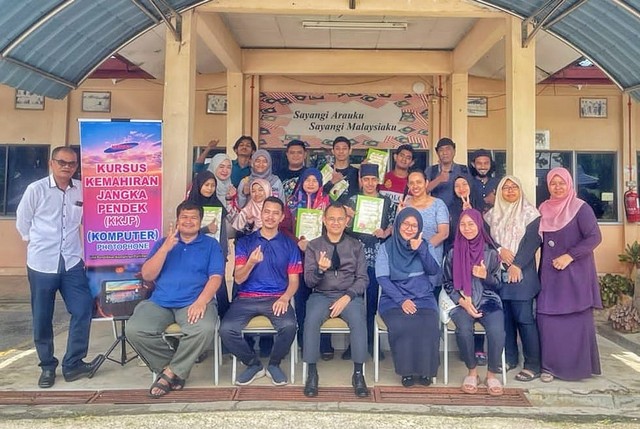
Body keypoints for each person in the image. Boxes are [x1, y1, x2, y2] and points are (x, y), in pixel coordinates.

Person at [16, 146, 102, 388]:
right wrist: (36, 243)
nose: (67, 167)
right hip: (42, 263)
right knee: (42, 316)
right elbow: (23, 222)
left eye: (72, 163)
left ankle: (73, 363)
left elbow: (89, 218)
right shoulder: (36, 190)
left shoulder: (82, 189)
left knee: (83, 308)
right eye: (62, 162)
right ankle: (47, 366)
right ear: (51, 163)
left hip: (72, 261)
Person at [127, 201, 224, 398]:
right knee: (134, 330)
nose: (189, 221)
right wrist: (165, 249)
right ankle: (174, 369)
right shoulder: (163, 243)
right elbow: (147, 275)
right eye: (184, 217)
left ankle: (169, 374)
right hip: (160, 301)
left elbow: (216, 277)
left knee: (204, 329)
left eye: (194, 217)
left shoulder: (211, 245)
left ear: (200, 221)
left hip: (193, 302)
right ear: (177, 220)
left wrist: (201, 302)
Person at [220, 197, 301, 386]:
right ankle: (253, 364)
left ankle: (274, 364)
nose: (270, 217)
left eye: (275, 213)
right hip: (246, 298)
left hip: (276, 298)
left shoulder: (289, 245)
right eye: (267, 212)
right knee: (226, 329)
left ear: (282, 217)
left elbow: (294, 281)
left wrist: (285, 298)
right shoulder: (246, 242)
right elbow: (239, 279)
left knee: (289, 326)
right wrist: (251, 262)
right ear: (261, 213)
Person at [537, 167, 602, 382]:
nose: (557, 187)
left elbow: (594, 237)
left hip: (576, 274)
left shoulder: (580, 208)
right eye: (553, 183)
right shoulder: (543, 208)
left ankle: (578, 369)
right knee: (547, 318)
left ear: (569, 184)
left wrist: (570, 256)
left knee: (576, 320)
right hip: (550, 274)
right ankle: (549, 368)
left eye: (561, 183)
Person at [303, 203, 369, 398]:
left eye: (340, 219)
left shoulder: (356, 246)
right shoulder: (314, 246)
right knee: (311, 320)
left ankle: (358, 374)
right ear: (324, 220)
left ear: (347, 221)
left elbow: (363, 279)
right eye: (331, 218)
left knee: (358, 320)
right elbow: (308, 281)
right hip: (321, 294)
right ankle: (312, 373)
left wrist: (348, 296)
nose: (336, 223)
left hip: (349, 295)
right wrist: (320, 270)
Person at [485, 175, 542, 382]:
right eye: (505, 187)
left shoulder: (530, 213)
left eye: (514, 187)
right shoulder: (491, 215)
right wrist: (500, 250)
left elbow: (533, 241)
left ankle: (533, 364)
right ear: (499, 192)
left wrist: (517, 265)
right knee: (505, 319)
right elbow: (487, 239)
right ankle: (509, 358)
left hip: (522, 274)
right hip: (499, 273)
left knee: (524, 319)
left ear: (520, 190)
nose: (510, 191)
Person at [375, 207, 441, 387]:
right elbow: (382, 278)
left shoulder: (424, 245)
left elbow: (433, 270)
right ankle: (407, 372)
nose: (409, 228)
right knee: (402, 324)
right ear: (398, 225)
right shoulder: (386, 247)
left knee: (428, 324)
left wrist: (421, 249)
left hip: (423, 297)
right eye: (406, 224)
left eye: (414, 225)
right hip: (393, 299)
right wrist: (401, 300)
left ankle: (426, 371)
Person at [442, 209, 504, 396]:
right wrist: (462, 301)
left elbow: (498, 284)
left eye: (471, 224)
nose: (467, 228)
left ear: (479, 225)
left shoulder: (491, 253)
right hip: (462, 300)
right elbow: (447, 283)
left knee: (496, 331)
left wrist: (486, 276)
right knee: (463, 330)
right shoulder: (453, 252)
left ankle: (491, 375)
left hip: (488, 300)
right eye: (463, 224)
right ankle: (472, 373)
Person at [344, 163, 393, 360]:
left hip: (377, 257)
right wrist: (348, 218)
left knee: (373, 301)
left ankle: (373, 344)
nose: (370, 183)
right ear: (361, 180)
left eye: (373, 179)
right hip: (355, 258)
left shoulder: (386, 201)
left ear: (378, 180)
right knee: (354, 301)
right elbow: (343, 228)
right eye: (366, 179)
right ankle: (354, 345)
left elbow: (393, 224)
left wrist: (385, 232)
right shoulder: (353, 201)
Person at [284, 168, 333, 359]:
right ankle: (305, 341)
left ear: (320, 183)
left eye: (315, 180)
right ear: (301, 182)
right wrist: (298, 242)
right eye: (307, 180)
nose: (311, 183)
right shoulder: (291, 203)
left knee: (324, 298)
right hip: (299, 258)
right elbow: (284, 229)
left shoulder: (327, 202)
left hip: (322, 258)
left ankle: (325, 342)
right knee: (302, 300)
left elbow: (335, 227)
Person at [186, 171, 231, 321]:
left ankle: (224, 322)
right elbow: (184, 232)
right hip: (194, 252)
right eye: (206, 185)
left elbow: (222, 233)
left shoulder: (217, 204)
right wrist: (205, 229)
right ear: (198, 185)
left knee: (219, 286)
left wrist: (223, 252)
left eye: (213, 185)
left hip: (215, 253)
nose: (210, 188)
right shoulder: (188, 207)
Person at [402, 170, 449, 292]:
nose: (415, 186)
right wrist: (399, 214)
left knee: (430, 297)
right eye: (412, 183)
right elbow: (398, 234)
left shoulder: (438, 204)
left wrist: (422, 248)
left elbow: (444, 233)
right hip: (408, 262)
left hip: (431, 260)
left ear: (426, 183)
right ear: (408, 185)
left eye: (419, 182)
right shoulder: (404, 205)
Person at [425, 137, 470, 208]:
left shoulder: (463, 169)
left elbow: (470, 192)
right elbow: (422, 192)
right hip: (437, 211)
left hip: (460, 210)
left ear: (454, 151)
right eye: (441, 150)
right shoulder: (431, 170)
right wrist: (439, 179)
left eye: (448, 149)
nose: (445, 153)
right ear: (437, 153)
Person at [379, 144, 415, 216]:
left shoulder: (413, 183)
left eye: (408, 158)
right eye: (402, 155)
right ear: (395, 157)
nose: (404, 159)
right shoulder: (382, 178)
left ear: (412, 163)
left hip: (404, 221)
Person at [323, 136, 359, 203]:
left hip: (351, 209)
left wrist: (365, 168)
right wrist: (332, 182)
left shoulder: (356, 172)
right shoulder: (326, 171)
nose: (341, 151)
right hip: (329, 209)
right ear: (333, 151)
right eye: (337, 148)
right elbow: (319, 194)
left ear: (350, 151)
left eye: (344, 148)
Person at [207, 153, 240, 225]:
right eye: (221, 167)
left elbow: (235, 221)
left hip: (226, 231)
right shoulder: (203, 186)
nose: (225, 170)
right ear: (214, 167)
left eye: (229, 167)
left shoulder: (231, 189)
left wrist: (229, 200)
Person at [469, 149, 501, 213]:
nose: (483, 166)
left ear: (490, 164)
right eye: (479, 163)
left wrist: (497, 201)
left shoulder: (498, 183)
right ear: (473, 164)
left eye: (486, 163)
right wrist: (485, 200)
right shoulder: (468, 183)